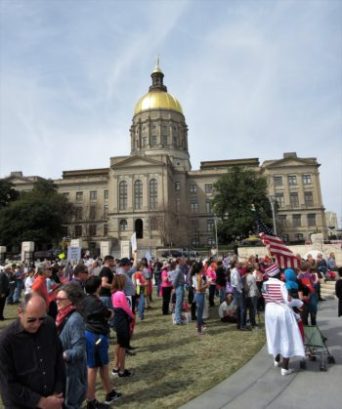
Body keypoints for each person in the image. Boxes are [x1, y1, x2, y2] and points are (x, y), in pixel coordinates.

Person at [0, 293, 65, 408]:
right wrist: (42, 402)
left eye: (41, 319)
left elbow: (58, 360)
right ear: (20, 312)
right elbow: (9, 384)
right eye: (31, 320)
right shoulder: (6, 341)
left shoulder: (49, 325)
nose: (37, 324)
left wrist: (57, 393)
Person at [82, 276, 121, 409]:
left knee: (103, 365)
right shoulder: (95, 302)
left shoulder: (84, 300)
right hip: (95, 336)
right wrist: (111, 312)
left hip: (93, 334)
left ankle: (110, 392)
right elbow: (108, 314)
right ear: (98, 287)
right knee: (92, 368)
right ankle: (91, 400)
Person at [262, 263, 305, 375]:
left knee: (274, 334)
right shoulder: (281, 285)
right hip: (281, 311)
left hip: (269, 310)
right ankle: (285, 368)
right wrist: (300, 302)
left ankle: (276, 360)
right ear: (276, 274)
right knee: (286, 337)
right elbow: (288, 301)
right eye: (279, 273)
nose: (281, 275)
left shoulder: (264, 284)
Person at [55, 284, 87, 409]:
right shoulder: (60, 316)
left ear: (71, 301)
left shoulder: (75, 320)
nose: (57, 301)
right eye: (56, 298)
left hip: (72, 374)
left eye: (60, 299)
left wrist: (63, 354)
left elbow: (79, 349)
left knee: (70, 405)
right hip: (63, 372)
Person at [111, 274, 135, 377]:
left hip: (118, 319)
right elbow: (126, 308)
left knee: (119, 344)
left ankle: (117, 367)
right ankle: (122, 369)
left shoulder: (114, 293)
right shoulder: (121, 294)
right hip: (122, 320)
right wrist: (133, 316)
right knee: (123, 346)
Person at [192, 261, 209, 335]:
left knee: (199, 313)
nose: (203, 268)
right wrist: (206, 285)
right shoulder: (199, 277)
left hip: (198, 295)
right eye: (202, 267)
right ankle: (199, 331)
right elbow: (199, 288)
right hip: (200, 295)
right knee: (199, 314)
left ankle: (199, 328)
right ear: (200, 268)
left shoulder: (196, 275)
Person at [172, 257, 186, 325]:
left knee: (179, 304)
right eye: (182, 260)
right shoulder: (178, 270)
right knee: (178, 304)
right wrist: (174, 287)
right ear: (179, 261)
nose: (183, 261)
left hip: (180, 287)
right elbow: (175, 280)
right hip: (179, 287)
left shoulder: (178, 269)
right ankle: (178, 320)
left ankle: (178, 318)